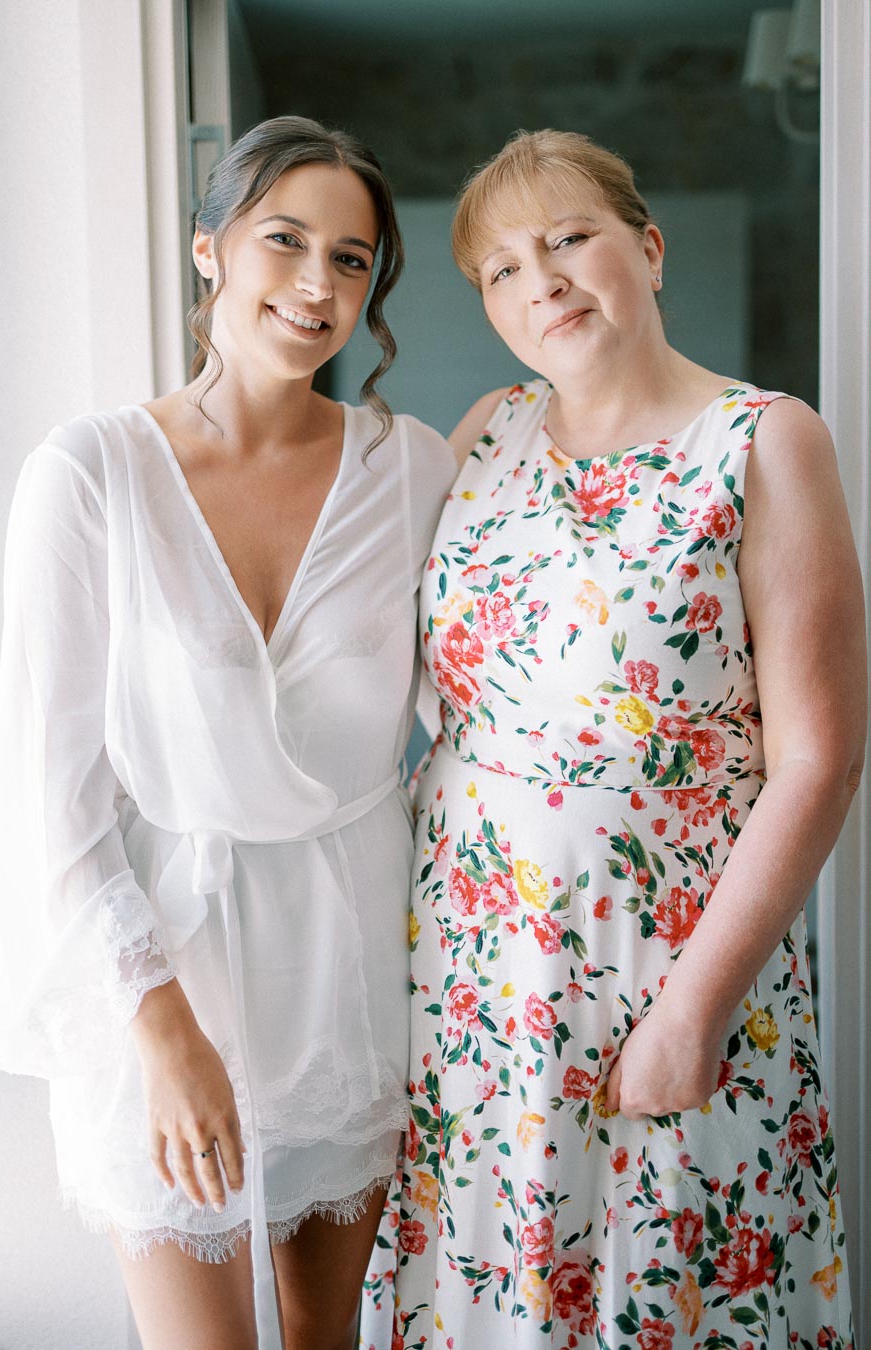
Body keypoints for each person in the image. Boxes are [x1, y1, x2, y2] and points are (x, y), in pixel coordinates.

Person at [379, 130, 863, 1348]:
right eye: (498, 269)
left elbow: (820, 757)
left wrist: (693, 1013)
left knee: (671, 1293)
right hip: (474, 981)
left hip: (668, 968)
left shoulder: (763, 441)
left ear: (647, 250)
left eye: (567, 238)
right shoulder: (486, 432)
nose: (536, 279)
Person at [0, 115, 457, 1350]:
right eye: (284, 242)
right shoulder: (88, 475)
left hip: (350, 964)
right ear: (209, 251)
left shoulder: (412, 471)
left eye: (352, 260)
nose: (316, 286)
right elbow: (52, 790)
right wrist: (163, 1027)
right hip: (159, 971)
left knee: (325, 1339)